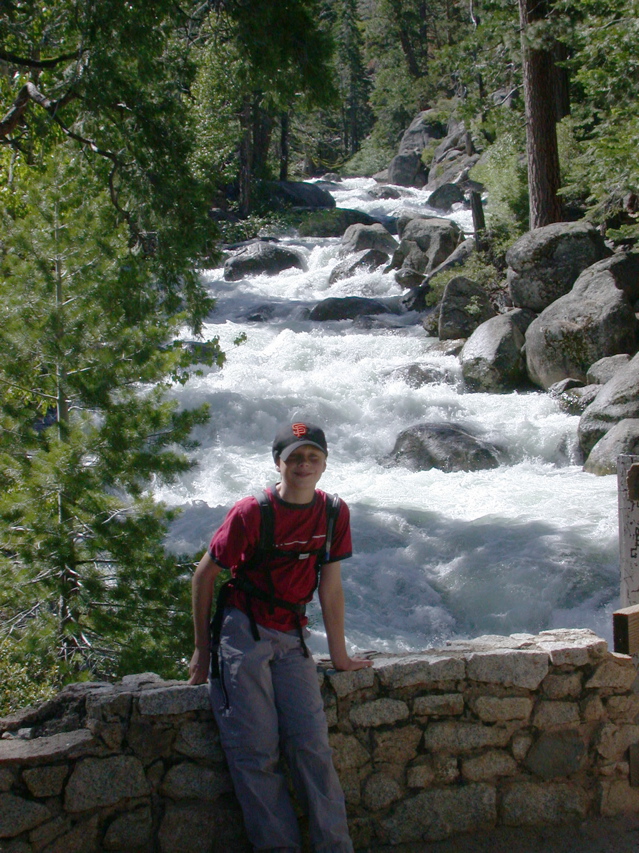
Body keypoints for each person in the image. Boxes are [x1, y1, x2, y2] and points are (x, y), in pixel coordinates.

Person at [188, 421, 372, 853]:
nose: (304, 464)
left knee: (313, 747)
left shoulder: (332, 512)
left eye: (313, 457)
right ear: (279, 462)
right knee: (256, 754)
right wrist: (201, 649)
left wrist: (340, 655)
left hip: (292, 634)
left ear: (324, 464)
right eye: (295, 457)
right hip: (242, 633)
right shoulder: (252, 511)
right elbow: (204, 576)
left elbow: (330, 586)